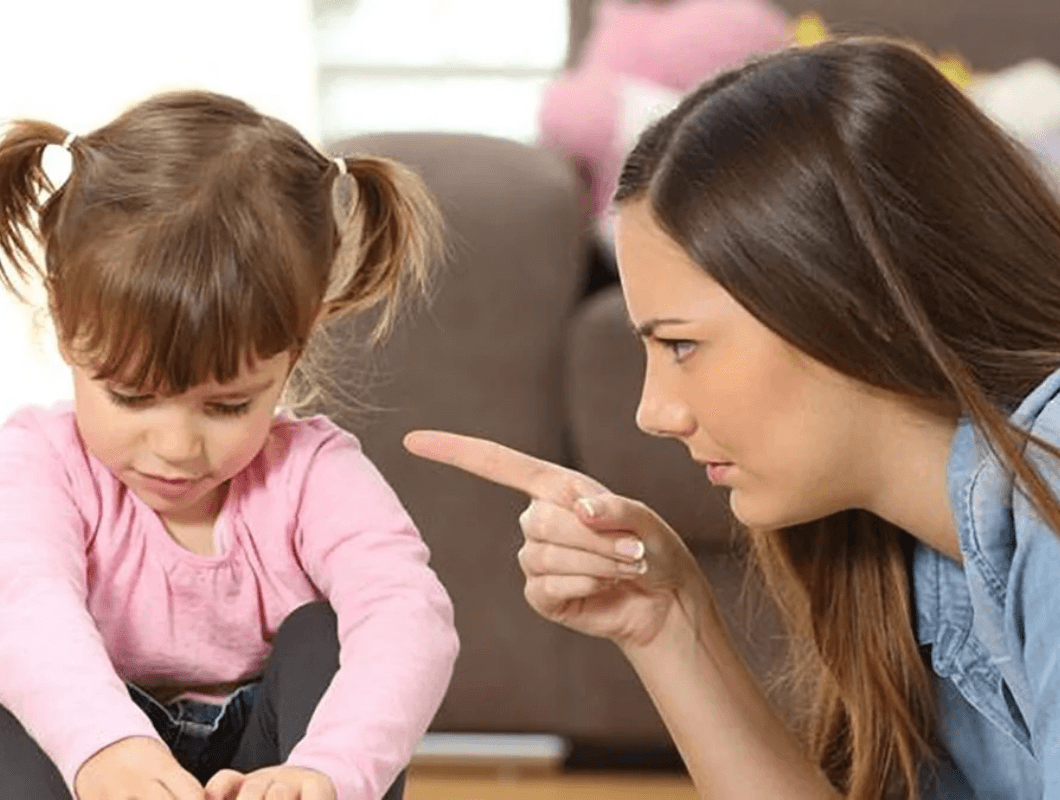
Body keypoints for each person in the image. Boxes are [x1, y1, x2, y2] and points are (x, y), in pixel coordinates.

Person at [405, 37, 1060, 800]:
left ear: (858, 300)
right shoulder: (914, 559)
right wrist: (668, 624)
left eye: (682, 344)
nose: (654, 413)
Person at [0, 89, 459, 800]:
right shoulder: (40, 460)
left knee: (328, 636)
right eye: (132, 395)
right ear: (62, 319)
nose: (177, 447)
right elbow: (11, 594)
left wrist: (328, 771)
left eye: (228, 404)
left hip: (262, 771)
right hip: (80, 768)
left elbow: (407, 617)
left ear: (297, 345)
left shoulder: (314, 475)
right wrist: (105, 748)